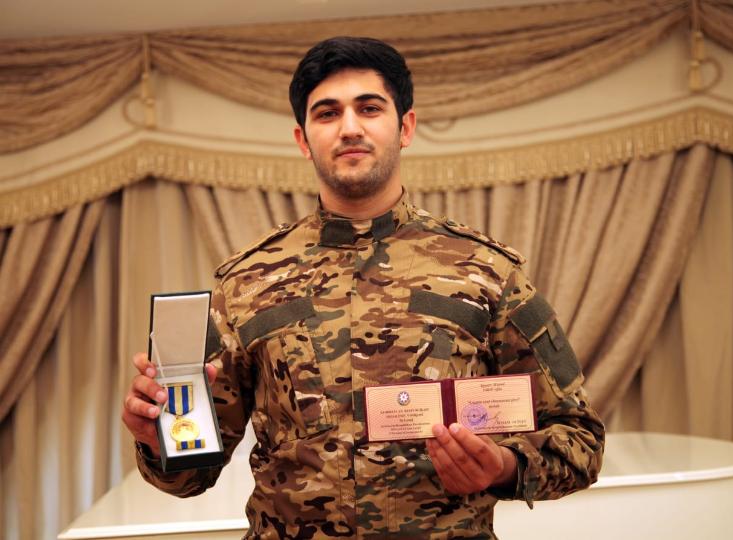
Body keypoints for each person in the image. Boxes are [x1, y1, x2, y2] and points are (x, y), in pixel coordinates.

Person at [122, 36, 605, 539]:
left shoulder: (486, 270)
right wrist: (158, 439)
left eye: (369, 108)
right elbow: (191, 472)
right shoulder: (245, 282)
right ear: (303, 139)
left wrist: (502, 467)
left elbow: (581, 440)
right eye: (327, 113)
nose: (350, 127)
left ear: (406, 127)